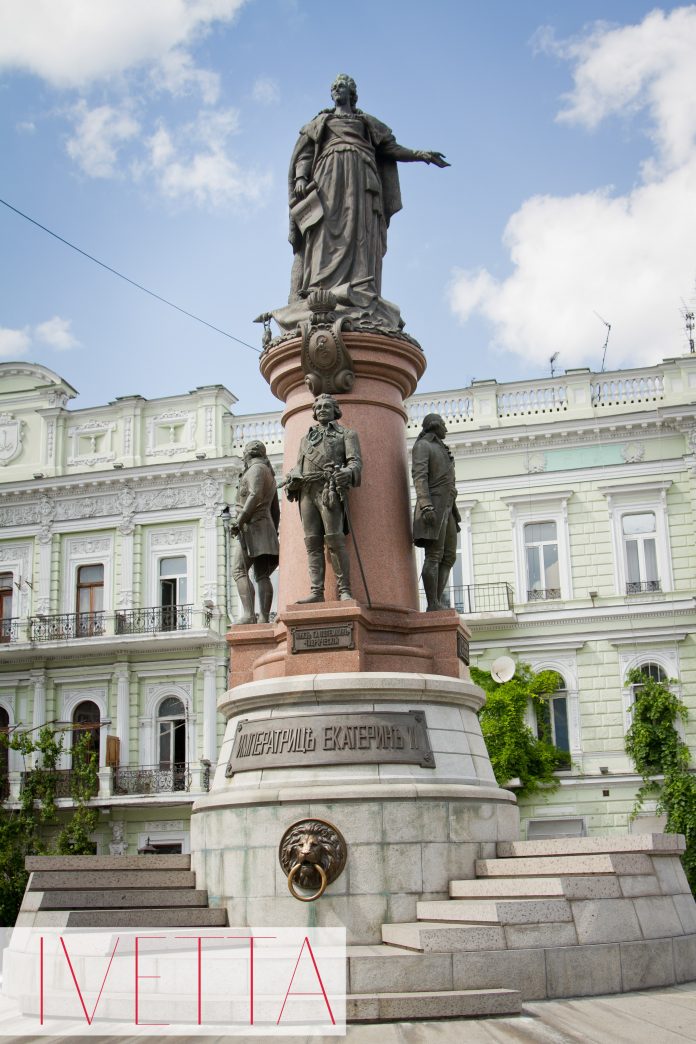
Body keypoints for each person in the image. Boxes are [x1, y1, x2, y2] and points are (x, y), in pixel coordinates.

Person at [274, 74, 449, 332]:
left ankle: (359, 288)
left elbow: (391, 148)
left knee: (359, 231)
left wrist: (420, 155)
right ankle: (319, 289)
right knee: (325, 230)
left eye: (341, 86)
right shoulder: (322, 121)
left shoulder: (366, 123)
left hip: (361, 180)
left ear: (352, 93)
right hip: (328, 178)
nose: (336, 90)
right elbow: (306, 153)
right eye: (333, 87)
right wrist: (301, 177)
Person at [285, 394, 362, 602]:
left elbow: (355, 463)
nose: (321, 410)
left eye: (326, 406)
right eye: (318, 407)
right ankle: (317, 592)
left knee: (335, 540)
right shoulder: (305, 440)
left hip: (329, 489)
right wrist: (292, 477)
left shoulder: (346, 434)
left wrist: (347, 472)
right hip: (307, 491)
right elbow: (297, 467)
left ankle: (344, 590)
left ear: (335, 410)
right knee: (312, 542)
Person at [411, 413, 461, 612]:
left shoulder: (440, 447)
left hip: (448, 508)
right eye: (443, 424)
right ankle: (433, 603)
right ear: (434, 425)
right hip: (433, 508)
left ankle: (437, 601)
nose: (446, 429)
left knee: (449, 556)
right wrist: (426, 505)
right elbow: (419, 476)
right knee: (434, 555)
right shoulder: (424, 445)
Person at [229, 440, 280, 624]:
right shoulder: (270, 474)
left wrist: (240, 520)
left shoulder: (256, 469)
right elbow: (276, 510)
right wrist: (273, 530)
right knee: (261, 574)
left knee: (239, 570)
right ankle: (264, 617)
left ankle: (250, 615)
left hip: (252, 527)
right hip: (264, 527)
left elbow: (254, 494)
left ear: (248, 453)